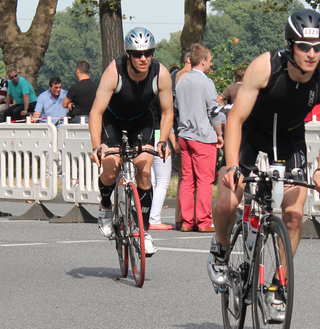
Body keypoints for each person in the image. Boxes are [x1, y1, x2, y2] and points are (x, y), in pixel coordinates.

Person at [208, 8, 320, 290]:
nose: (311, 54)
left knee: (294, 217)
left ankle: (277, 285)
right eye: (304, 47)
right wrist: (232, 166)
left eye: (318, 48)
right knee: (227, 202)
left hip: (290, 140)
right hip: (251, 135)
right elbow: (235, 118)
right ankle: (220, 250)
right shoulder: (265, 67)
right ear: (290, 45)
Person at [89, 27, 174, 258]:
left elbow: (167, 112)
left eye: (148, 53)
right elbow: (96, 112)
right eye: (137, 54)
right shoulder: (114, 71)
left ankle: (144, 232)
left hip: (142, 121)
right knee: (110, 167)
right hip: (112, 120)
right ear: (129, 55)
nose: (143, 58)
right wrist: (97, 146)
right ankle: (106, 207)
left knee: (145, 171)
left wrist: (163, 140)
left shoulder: (160, 73)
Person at [175, 44, 223, 232]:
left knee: (187, 179)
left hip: (184, 135)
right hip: (203, 136)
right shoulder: (206, 83)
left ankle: (187, 222)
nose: (210, 63)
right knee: (204, 180)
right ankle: (203, 222)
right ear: (203, 61)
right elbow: (214, 111)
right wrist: (219, 133)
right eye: (210, 60)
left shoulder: (181, 82)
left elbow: (177, 108)